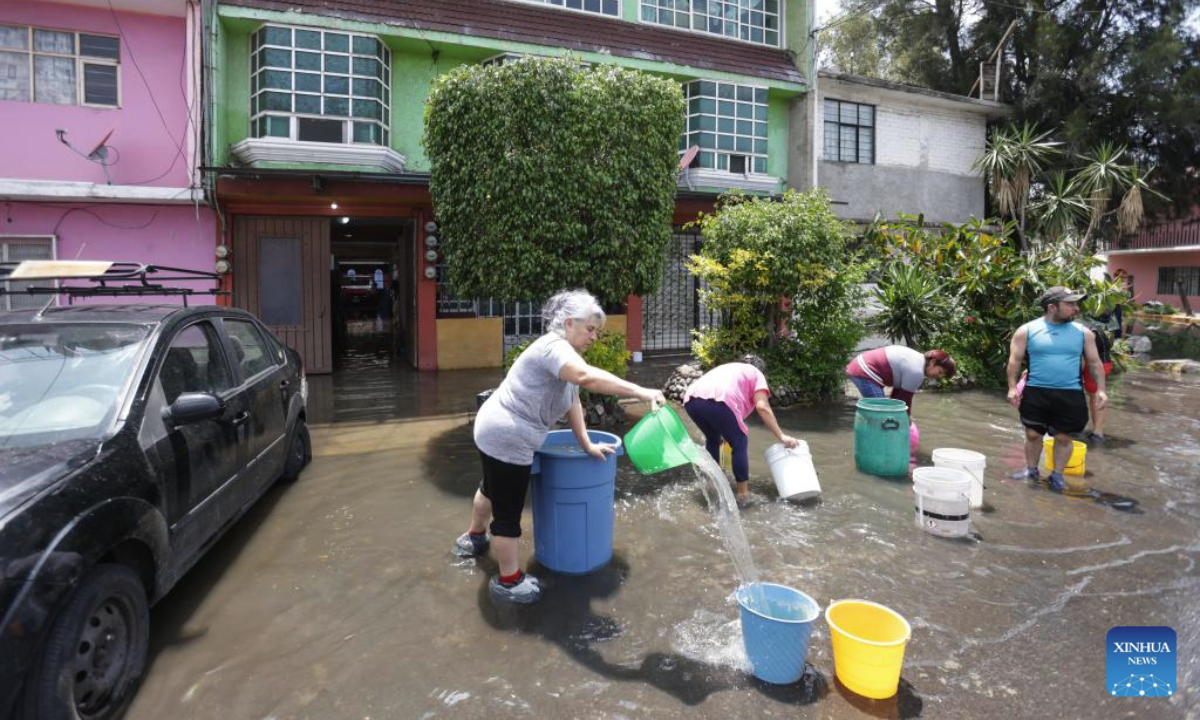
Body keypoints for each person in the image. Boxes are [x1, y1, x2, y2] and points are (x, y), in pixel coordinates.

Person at [453, 289, 665, 605]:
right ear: (569, 323)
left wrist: (586, 443)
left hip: (494, 427)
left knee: (491, 487)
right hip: (508, 435)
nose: (594, 337)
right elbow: (585, 379)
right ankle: (509, 580)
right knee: (508, 511)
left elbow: (574, 399)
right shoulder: (553, 348)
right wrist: (642, 391)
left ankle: (474, 537)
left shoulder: (564, 354)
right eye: (590, 329)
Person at [1006, 286, 1108, 492]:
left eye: (1075, 303)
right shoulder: (1027, 330)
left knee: (1064, 437)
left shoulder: (1084, 333)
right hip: (1036, 390)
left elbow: (1095, 363)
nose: (1075, 308)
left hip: (1070, 393)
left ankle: (1057, 476)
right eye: (1069, 304)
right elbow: (1014, 361)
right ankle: (1031, 471)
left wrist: (1101, 390)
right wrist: (1011, 387)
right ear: (1052, 307)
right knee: (1033, 434)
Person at [682, 355, 800, 505]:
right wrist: (782, 436)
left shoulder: (731, 368)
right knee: (740, 440)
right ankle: (743, 494)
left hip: (691, 399)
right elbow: (762, 407)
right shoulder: (757, 374)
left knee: (713, 439)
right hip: (719, 399)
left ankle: (710, 484)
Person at [844, 346, 957, 413]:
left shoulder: (918, 361)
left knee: (883, 412)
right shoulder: (916, 372)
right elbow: (904, 402)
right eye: (940, 372)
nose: (937, 377)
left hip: (861, 366)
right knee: (881, 413)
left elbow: (896, 400)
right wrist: (907, 423)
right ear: (932, 362)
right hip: (865, 372)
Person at [1081, 316, 1114, 445]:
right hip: (1080, 358)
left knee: (1095, 394)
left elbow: (1083, 358)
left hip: (1100, 361)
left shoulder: (1087, 332)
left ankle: (1098, 432)